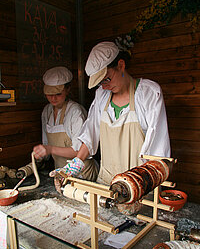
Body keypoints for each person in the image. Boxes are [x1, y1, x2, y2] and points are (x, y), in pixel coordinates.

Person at [51, 42, 170, 187]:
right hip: (107, 183)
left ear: (121, 65)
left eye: (107, 79)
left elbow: (158, 150)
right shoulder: (102, 95)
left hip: (139, 184)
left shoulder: (148, 93)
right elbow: (91, 133)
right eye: (100, 83)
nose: (105, 86)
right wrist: (75, 164)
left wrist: (140, 185)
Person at [33, 66, 98, 191]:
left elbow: (79, 151)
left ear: (68, 89)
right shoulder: (47, 112)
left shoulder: (75, 112)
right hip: (61, 175)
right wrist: (40, 154)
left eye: (58, 94)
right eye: (49, 94)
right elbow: (46, 146)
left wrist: (50, 149)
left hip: (82, 174)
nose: (53, 98)